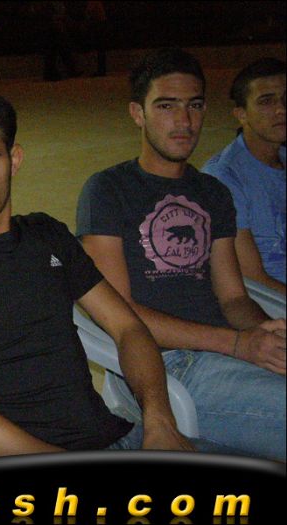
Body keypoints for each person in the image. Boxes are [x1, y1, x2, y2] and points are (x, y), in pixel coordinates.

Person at [0, 88, 231, 459]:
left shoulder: (46, 234)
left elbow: (128, 328)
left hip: (118, 438)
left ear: (14, 159)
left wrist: (160, 420)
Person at [76, 48, 286, 461]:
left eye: (194, 106)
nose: (184, 121)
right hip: (164, 370)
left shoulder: (213, 192)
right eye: (166, 106)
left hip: (228, 356)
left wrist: (267, 336)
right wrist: (238, 344)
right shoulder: (108, 190)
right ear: (137, 113)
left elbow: (234, 297)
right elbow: (119, 312)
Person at [202, 58, 285, 294]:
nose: (281, 109)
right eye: (266, 101)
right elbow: (251, 277)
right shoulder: (224, 177)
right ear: (241, 114)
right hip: (270, 300)